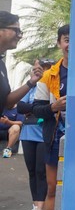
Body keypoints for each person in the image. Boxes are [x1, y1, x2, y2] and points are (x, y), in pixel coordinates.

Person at [26, 25, 69, 210]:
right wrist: (54, 107)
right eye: (67, 39)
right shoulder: (49, 75)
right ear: (59, 43)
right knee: (52, 189)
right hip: (55, 139)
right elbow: (36, 109)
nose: (71, 44)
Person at [17, 58, 55, 210]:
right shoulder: (31, 87)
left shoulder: (50, 85)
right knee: (32, 171)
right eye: (38, 68)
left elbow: (50, 108)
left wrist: (33, 109)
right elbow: (20, 107)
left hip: (42, 134)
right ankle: (35, 207)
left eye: (44, 68)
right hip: (27, 133)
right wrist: (37, 109)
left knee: (41, 172)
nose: (40, 71)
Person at [0, 11, 43, 158]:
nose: (20, 35)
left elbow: (7, 102)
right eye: (16, 30)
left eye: (21, 31)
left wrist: (31, 82)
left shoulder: (1, 65)